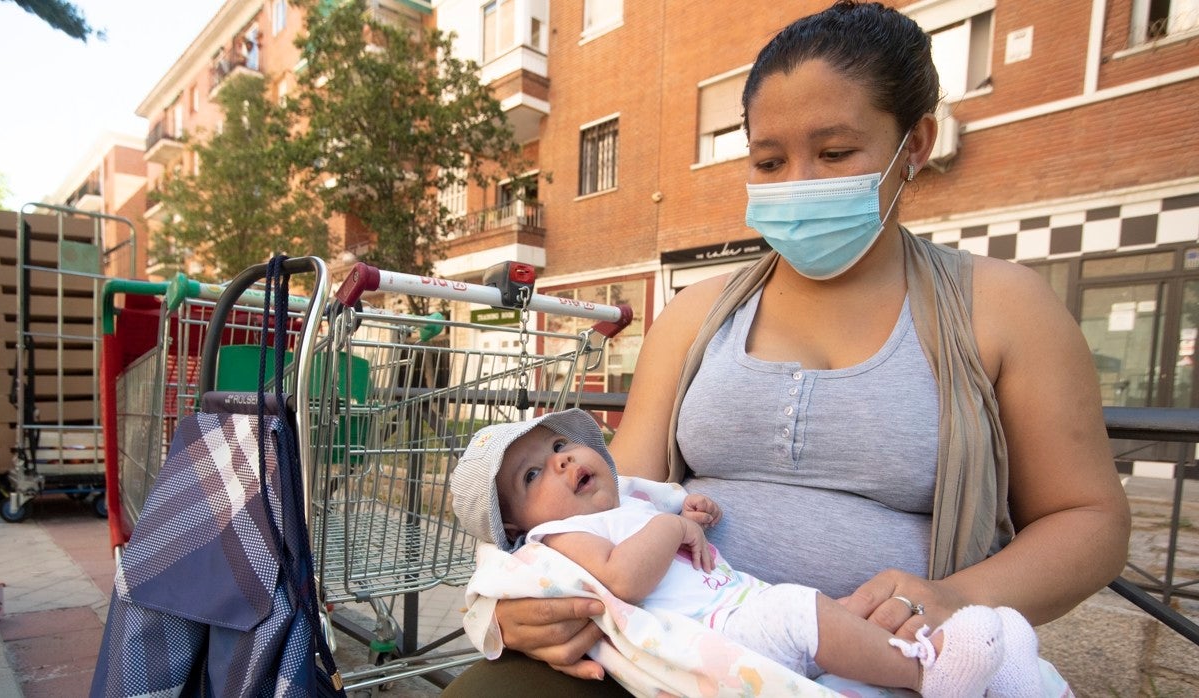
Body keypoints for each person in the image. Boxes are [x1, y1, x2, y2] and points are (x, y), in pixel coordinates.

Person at [444, 2, 1130, 695]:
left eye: (834, 153)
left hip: (891, 664)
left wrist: (952, 595)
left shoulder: (1002, 307)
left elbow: (1089, 520)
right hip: (678, 648)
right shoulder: (695, 314)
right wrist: (526, 609)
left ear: (915, 144)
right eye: (769, 161)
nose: (798, 182)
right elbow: (614, 496)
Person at [450, 409, 1046, 696]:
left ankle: (1017, 679)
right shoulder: (558, 539)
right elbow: (625, 578)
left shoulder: (624, 501)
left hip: (746, 607)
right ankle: (931, 671)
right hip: (720, 633)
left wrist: (686, 513)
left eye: (560, 445)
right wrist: (672, 529)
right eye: (532, 476)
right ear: (514, 524)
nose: (561, 460)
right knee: (801, 614)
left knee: (843, 643)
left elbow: (659, 509)